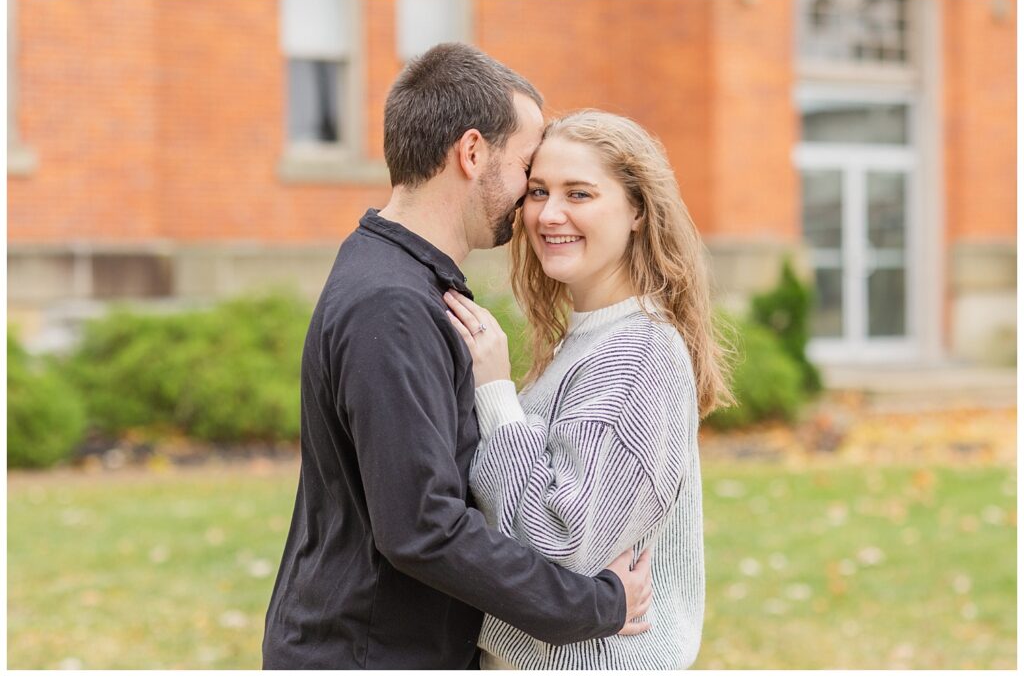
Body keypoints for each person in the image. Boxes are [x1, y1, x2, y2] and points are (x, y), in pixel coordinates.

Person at [261, 45, 654, 670]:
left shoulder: (399, 277)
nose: (532, 197)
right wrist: (591, 605)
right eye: (527, 167)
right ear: (472, 153)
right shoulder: (390, 303)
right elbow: (423, 527)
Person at [444, 110, 734, 669]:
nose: (550, 214)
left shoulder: (634, 354)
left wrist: (497, 396)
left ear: (637, 213)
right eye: (537, 192)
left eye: (579, 194)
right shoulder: (592, 340)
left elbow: (562, 546)